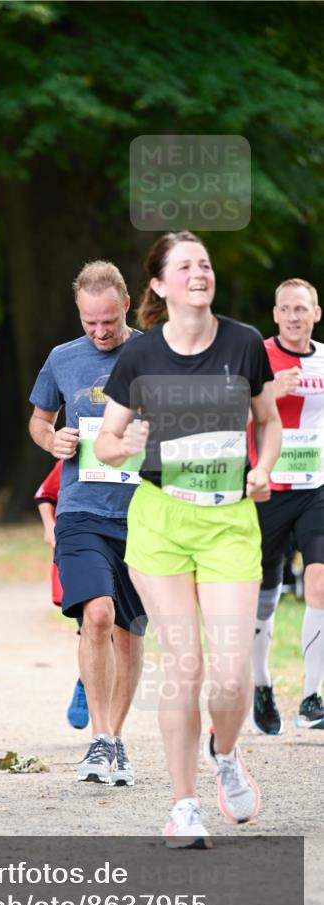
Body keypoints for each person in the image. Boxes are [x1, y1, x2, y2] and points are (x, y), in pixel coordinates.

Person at [95, 230, 281, 847]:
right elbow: (105, 442)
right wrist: (130, 447)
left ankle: (224, 753)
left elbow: (269, 420)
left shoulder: (245, 343)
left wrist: (262, 469)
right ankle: (183, 806)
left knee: (230, 678)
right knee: (186, 667)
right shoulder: (140, 356)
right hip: (162, 521)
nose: (199, 273)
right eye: (185, 266)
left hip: (229, 521)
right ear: (158, 284)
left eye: (204, 264)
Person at [29, 261, 146, 788]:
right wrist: (50, 439)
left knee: (129, 629)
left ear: (125, 304)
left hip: (143, 514)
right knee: (97, 614)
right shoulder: (62, 359)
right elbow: (38, 418)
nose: (99, 333)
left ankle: (116, 740)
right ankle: (99, 739)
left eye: (108, 321)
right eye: (88, 322)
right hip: (81, 510)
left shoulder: (154, 353)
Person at [250, 278, 324, 733]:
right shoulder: (255, 357)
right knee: (264, 599)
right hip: (267, 490)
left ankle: (313, 697)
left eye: (302, 309)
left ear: (316, 313)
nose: (294, 317)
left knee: (319, 584)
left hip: (317, 489)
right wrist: (269, 393)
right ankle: (261, 684)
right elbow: (223, 415)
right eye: (286, 309)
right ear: (275, 315)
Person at [34, 460, 89, 729]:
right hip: (86, 550)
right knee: (93, 626)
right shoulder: (82, 449)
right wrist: (49, 527)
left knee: (122, 636)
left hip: (131, 550)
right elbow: (46, 494)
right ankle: (86, 684)